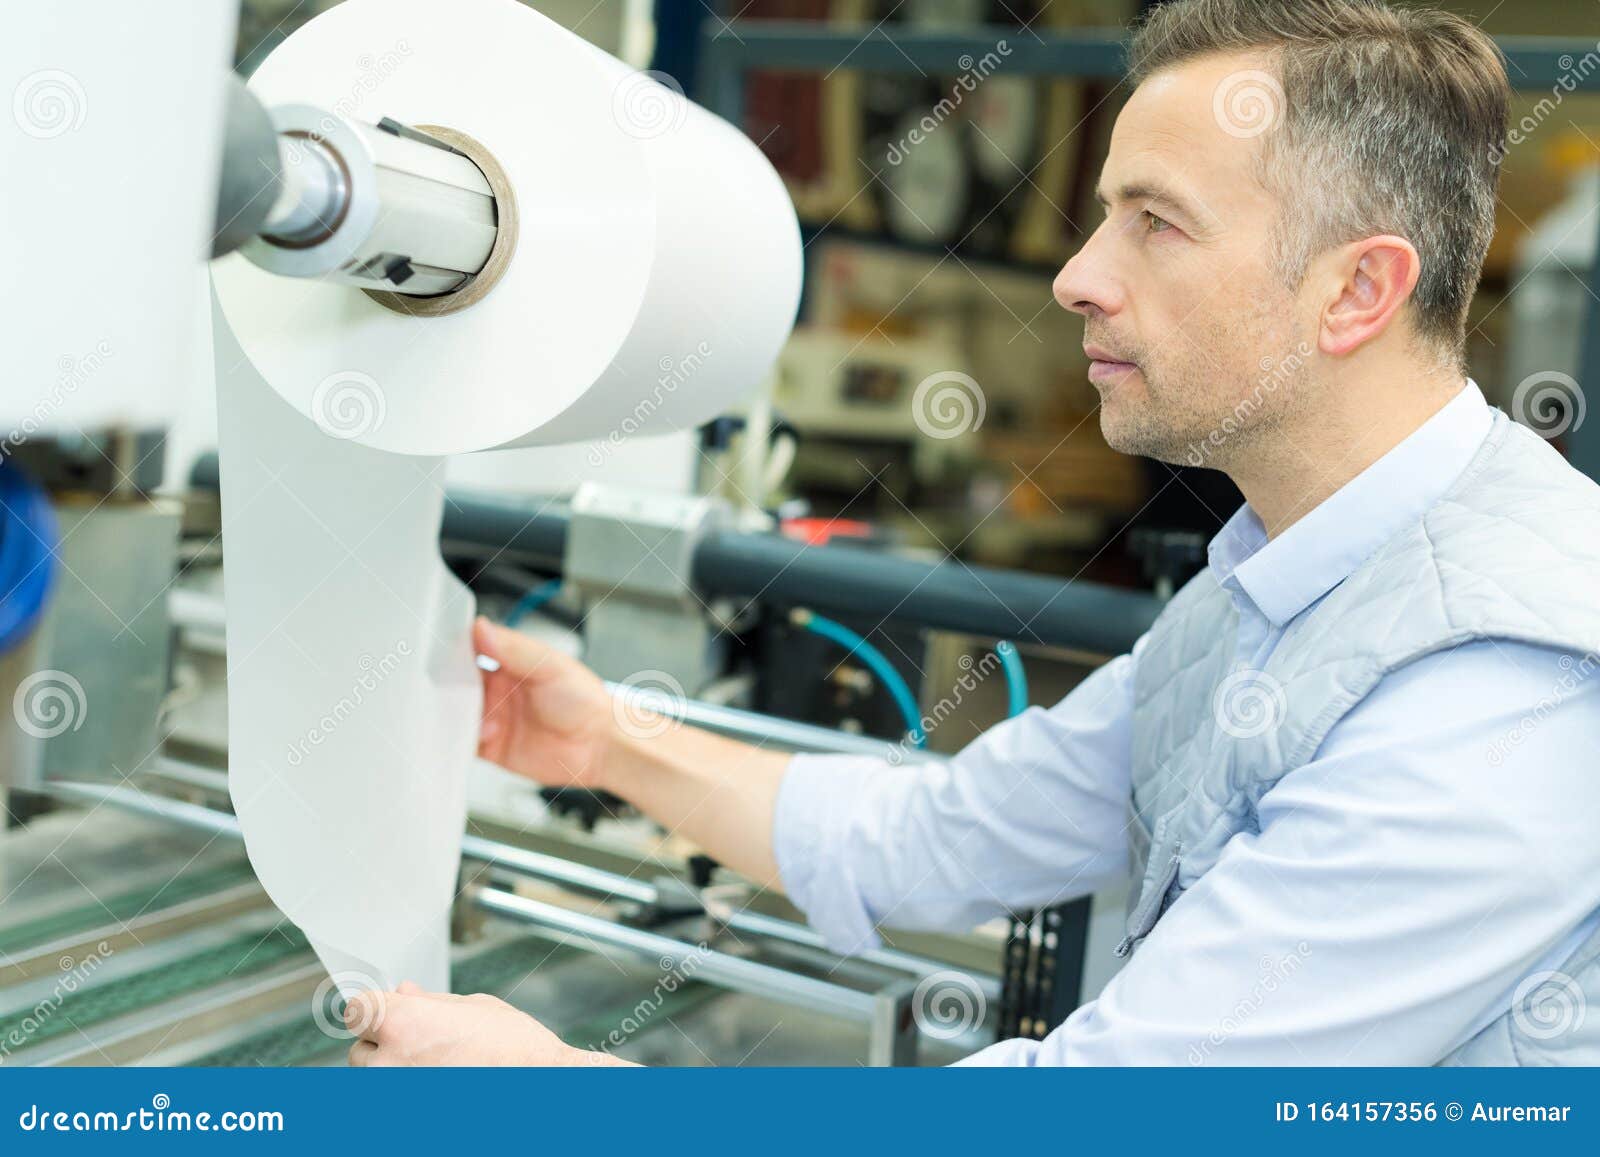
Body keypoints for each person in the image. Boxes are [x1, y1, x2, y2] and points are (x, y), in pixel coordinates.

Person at [346, 0, 1600, 1066]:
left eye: (1154, 222)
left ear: (1356, 290)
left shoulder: (1501, 685)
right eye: (1104, 211)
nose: (1077, 275)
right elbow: (939, 834)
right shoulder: (1275, 582)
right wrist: (607, 738)